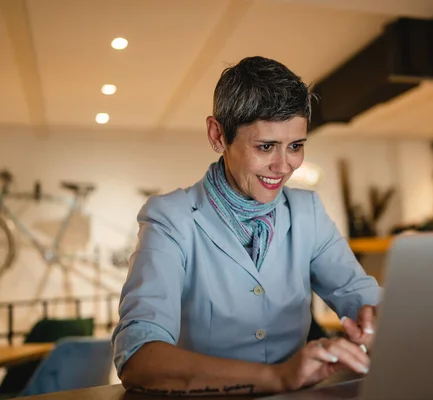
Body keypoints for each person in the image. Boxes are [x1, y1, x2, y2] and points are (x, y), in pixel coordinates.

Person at [111, 56, 382, 396]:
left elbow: (361, 297)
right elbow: (138, 358)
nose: (284, 166)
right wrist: (280, 377)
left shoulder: (307, 211)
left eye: (295, 146)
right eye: (266, 146)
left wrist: (377, 319)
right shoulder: (171, 218)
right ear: (218, 134)